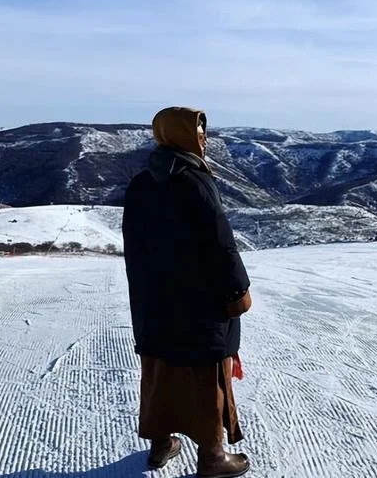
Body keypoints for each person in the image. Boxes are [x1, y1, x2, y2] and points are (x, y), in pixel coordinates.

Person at [122, 106, 252, 478]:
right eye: (197, 131)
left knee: (160, 370)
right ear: (178, 135)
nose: (203, 138)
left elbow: (135, 247)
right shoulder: (195, 181)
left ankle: (161, 445)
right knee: (206, 374)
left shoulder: (141, 183)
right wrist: (237, 291)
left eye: (203, 131)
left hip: (153, 302)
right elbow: (220, 243)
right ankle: (212, 458)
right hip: (199, 304)